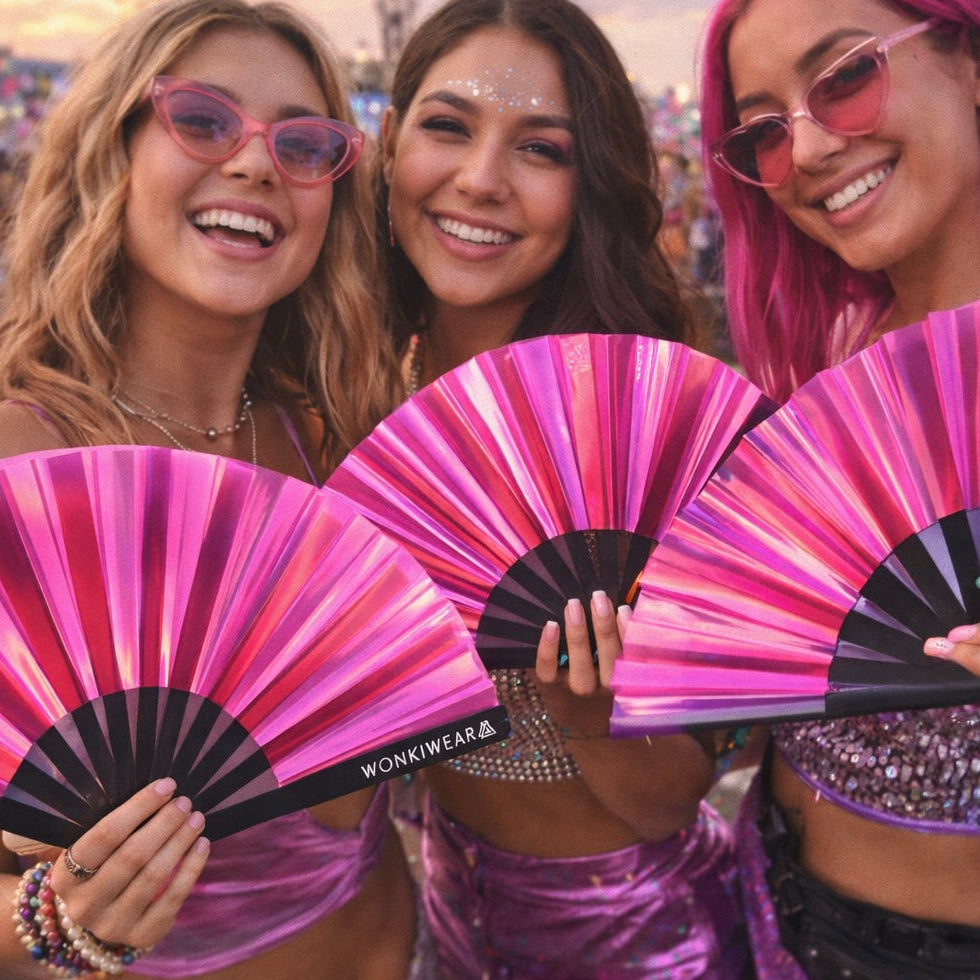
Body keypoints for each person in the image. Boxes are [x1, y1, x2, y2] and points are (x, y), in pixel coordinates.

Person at [0, 0, 424, 977]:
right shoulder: (21, 470)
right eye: (201, 119)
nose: (256, 164)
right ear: (112, 152)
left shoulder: (338, 447)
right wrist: (60, 920)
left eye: (304, 143)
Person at [377, 0, 750, 976]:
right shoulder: (350, 394)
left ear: (589, 187)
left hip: (640, 939)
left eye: (541, 149)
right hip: (446, 917)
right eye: (447, 126)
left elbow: (672, 796)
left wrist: (585, 705)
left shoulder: (645, 436)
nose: (480, 179)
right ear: (389, 143)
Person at [700, 0, 980, 977]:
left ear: (968, 56)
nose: (810, 148)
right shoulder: (818, 360)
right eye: (764, 132)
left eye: (847, 76)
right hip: (774, 912)